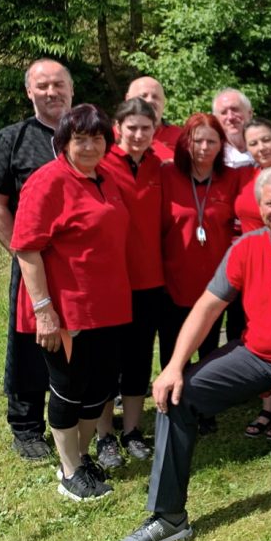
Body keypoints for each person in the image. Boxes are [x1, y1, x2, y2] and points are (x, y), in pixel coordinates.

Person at [109, 165, 271, 541]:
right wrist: (172, 366)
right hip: (254, 353)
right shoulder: (246, 247)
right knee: (178, 394)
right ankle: (169, 517)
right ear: (259, 206)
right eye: (270, 203)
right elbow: (208, 306)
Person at [11, 104, 132, 500]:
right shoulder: (47, 182)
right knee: (68, 387)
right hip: (67, 311)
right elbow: (27, 250)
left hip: (108, 307)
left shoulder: (106, 178)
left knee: (98, 388)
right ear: (63, 142)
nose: (89, 146)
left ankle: (81, 458)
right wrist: (43, 311)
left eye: (97, 138)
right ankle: (68, 472)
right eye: (80, 138)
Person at [0, 58, 74, 460]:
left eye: (58, 85)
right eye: (42, 86)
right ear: (28, 92)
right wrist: (22, 251)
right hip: (33, 259)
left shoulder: (88, 134)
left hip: (83, 263)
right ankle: (27, 425)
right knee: (31, 339)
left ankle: (82, 409)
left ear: (71, 89)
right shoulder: (12, 139)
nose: (51, 92)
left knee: (84, 339)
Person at [93, 98, 165, 469]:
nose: (138, 134)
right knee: (108, 361)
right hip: (110, 282)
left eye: (146, 128)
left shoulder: (159, 167)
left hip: (149, 281)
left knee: (138, 359)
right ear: (118, 128)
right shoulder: (101, 166)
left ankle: (133, 430)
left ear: (154, 130)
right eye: (131, 127)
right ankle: (104, 436)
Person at [159, 114, 244, 376]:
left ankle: (204, 408)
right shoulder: (167, 174)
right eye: (198, 141)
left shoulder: (232, 178)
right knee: (172, 349)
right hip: (173, 277)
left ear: (222, 145)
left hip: (215, 280)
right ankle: (172, 405)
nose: (204, 148)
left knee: (209, 349)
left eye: (211, 141)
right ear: (186, 142)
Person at [235, 117, 271, 438]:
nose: (260, 148)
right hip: (250, 270)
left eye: (266, 140)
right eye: (253, 143)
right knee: (257, 337)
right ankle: (268, 406)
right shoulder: (245, 177)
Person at [212, 88, 271, 168]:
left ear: (250, 113)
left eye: (235, 109)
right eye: (223, 112)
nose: (230, 117)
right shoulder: (214, 151)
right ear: (216, 119)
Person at [125, 76, 181, 161]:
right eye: (143, 96)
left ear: (164, 102)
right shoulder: (110, 137)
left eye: (155, 97)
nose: (150, 100)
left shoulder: (181, 137)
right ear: (128, 99)